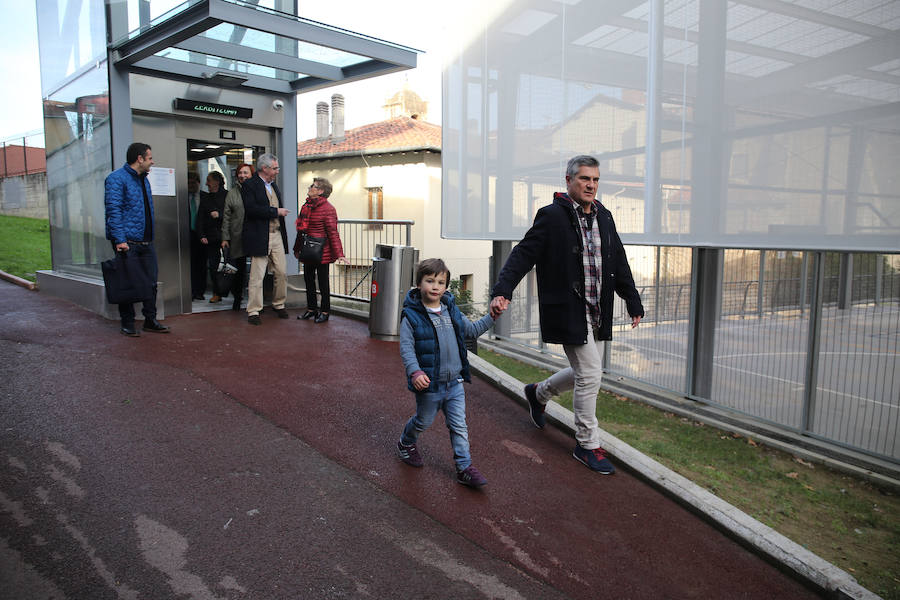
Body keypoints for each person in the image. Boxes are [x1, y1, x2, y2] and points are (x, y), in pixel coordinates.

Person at [489, 155, 643, 475]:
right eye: (584, 178)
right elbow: (523, 254)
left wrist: (632, 299)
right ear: (569, 180)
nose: (590, 185)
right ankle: (587, 444)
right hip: (569, 309)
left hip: (597, 309)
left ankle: (538, 392)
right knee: (590, 375)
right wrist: (503, 290)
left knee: (586, 371)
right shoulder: (551, 216)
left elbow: (618, 261)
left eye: (595, 180)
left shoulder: (606, 217)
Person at [396, 258, 494, 488]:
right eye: (429, 281)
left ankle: (464, 467)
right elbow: (407, 349)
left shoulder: (451, 309)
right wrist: (415, 372)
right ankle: (406, 442)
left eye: (440, 282)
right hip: (430, 385)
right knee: (422, 421)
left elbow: (471, 331)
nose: (435, 286)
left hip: (455, 384)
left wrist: (493, 316)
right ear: (419, 283)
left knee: (459, 426)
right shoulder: (411, 316)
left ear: (446, 286)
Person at [104, 142, 170, 337]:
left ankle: (150, 320)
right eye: (150, 158)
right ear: (139, 159)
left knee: (150, 282)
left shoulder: (144, 179)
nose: (152, 161)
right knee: (128, 282)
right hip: (127, 242)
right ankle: (128, 322)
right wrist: (119, 239)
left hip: (146, 242)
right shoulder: (116, 179)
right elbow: (113, 211)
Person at [241, 153, 289, 325]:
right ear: (265, 168)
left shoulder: (273, 186)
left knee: (282, 272)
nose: (277, 171)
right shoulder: (250, 185)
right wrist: (275, 211)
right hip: (259, 235)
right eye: (275, 168)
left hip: (276, 234)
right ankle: (253, 310)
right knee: (257, 275)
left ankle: (279, 303)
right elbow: (251, 209)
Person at [293, 177, 348, 323]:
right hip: (308, 249)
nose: (310, 188)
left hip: (322, 251)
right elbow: (301, 230)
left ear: (321, 191)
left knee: (323, 282)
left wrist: (340, 254)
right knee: (308, 280)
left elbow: (332, 232)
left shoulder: (328, 209)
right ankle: (311, 309)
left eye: (313, 186)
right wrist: (297, 248)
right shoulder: (306, 206)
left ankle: (324, 311)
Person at [221, 163, 252, 311]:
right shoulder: (232, 193)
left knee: (256, 270)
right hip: (237, 236)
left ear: (251, 174)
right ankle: (237, 298)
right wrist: (225, 237)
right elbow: (226, 217)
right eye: (240, 173)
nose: (242, 175)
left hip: (254, 236)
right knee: (237, 269)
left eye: (246, 173)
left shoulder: (257, 191)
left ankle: (255, 300)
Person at [197, 171, 227, 303]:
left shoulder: (228, 196)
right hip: (211, 237)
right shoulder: (206, 198)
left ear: (217, 182)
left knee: (231, 265)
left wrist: (219, 215)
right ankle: (217, 292)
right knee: (213, 266)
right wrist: (201, 234)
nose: (206, 184)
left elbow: (233, 214)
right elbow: (200, 218)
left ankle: (234, 291)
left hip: (226, 236)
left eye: (209, 180)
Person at [187, 172, 206, 301]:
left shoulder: (205, 197)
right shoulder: (182, 198)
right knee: (190, 263)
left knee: (202, 264)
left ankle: (200, 291)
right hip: (188, 234)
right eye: (189, 183)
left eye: (194, 183)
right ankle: (191, 290)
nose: (191, 185)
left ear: (199, 183)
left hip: (202, 235)